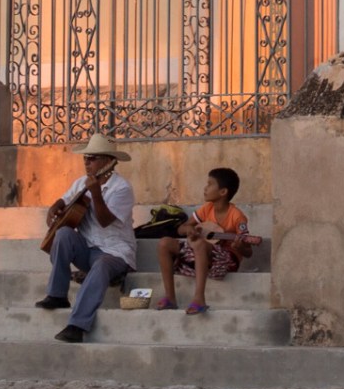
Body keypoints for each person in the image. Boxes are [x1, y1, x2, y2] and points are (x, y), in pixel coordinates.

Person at [35, 133, 136, 343]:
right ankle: (58, 295)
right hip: (87, 248)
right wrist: (55, 208)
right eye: (85, 158)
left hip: (115, 252)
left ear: (108, 161)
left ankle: (77, 325)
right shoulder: (81, 182)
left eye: (92, 158)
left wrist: (96, 194)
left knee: (101, 266)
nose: (86, 162)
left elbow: (105, 220)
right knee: (62, 234)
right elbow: (64, 200)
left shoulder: (122, 188)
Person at [156, 166, 256, 315]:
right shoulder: (206, 209)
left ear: (223, 192)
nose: (205, 188)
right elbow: (182, 228)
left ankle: (199, 299)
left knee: (200, 244)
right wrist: (188, 229)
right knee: (164, 243)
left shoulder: (237, 216)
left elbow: (248, 252)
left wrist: (239, 246)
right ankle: (170, 298)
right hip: (201, 256)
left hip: (225, 261)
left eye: (210, 184)